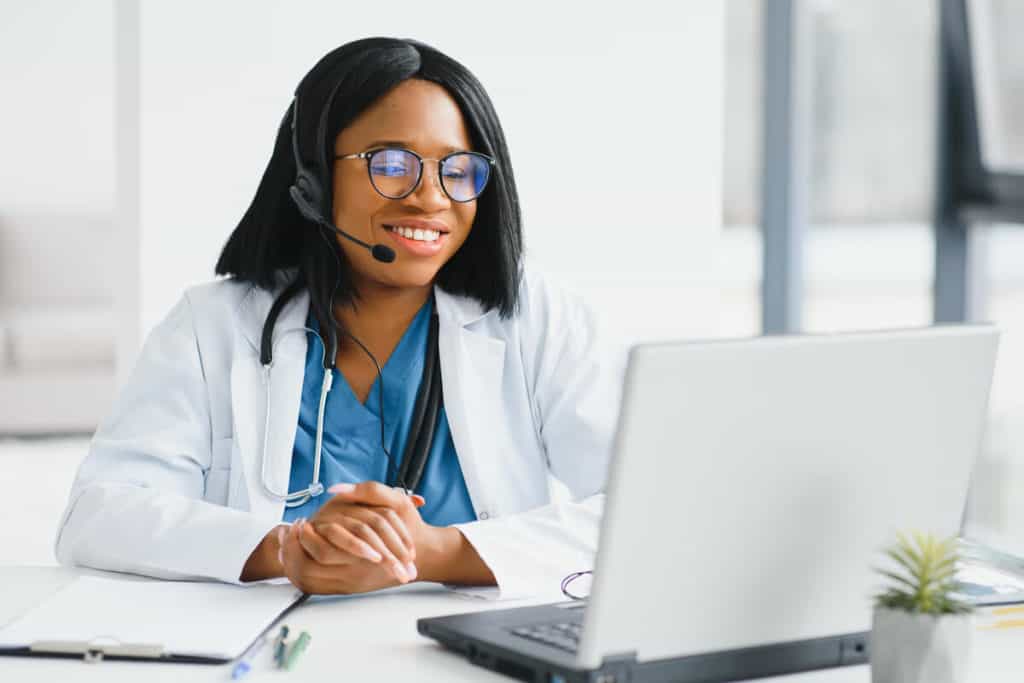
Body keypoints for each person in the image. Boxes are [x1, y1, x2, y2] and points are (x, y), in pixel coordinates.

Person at [55, 37, 622, 598]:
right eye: (393, 164)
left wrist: (433, 554)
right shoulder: (212, 326)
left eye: (457, 169)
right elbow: (98, 514)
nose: (430, 197)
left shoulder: (537, 320)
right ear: (313, 180)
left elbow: (643, 512)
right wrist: (283, 549)